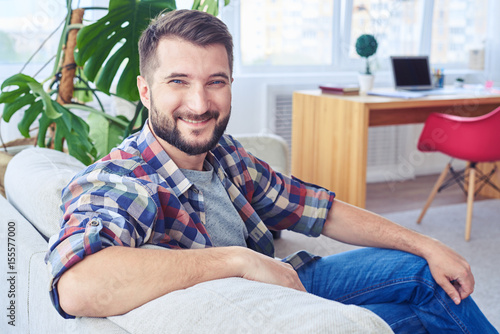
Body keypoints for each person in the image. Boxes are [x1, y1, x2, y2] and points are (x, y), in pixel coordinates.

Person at [45, 9, 497, 333]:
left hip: (284, 283)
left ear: (230, 84)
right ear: (145, 91)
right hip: (255, 313)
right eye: (178, 82)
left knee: (425, 274)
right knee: (424, 306)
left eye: (215, 82)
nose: (200, 105)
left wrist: (428, 242)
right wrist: (239, 260)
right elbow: (78, 286)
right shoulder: (122, 180)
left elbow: (318, 209)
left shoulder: (224, 155)